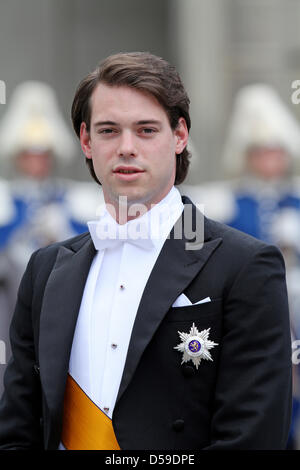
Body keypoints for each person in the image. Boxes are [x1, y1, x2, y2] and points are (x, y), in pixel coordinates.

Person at [0, 52, 292, 450]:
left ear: (180, 136)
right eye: (108, 130)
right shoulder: (46, 268)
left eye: (146, 130)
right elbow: (18, 428)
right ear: (86, 140)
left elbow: (251, 437)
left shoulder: (244, 265)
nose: (126, 147)